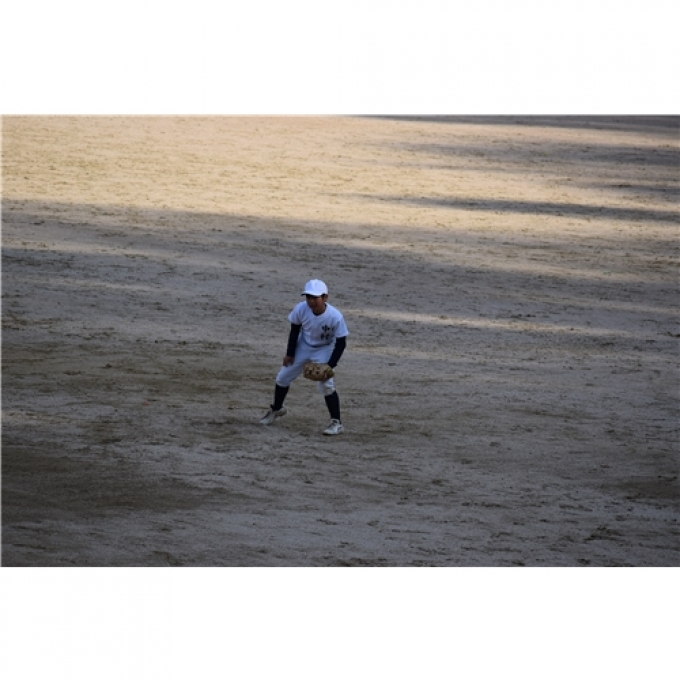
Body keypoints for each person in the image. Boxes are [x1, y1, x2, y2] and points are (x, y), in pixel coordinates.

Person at [260, 279, 349, 435]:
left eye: (315, 297)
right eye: (308, 297)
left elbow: (341, 343)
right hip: (303, 345)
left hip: (324, 348)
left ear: (325, 297)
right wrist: (290, 353)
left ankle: (337, 423)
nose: (311, 301)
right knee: (282, 377)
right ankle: (277, 408)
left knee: (326, 385)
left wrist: (330, 365)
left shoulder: (335, 316)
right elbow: (294, 330)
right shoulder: (301, 309)